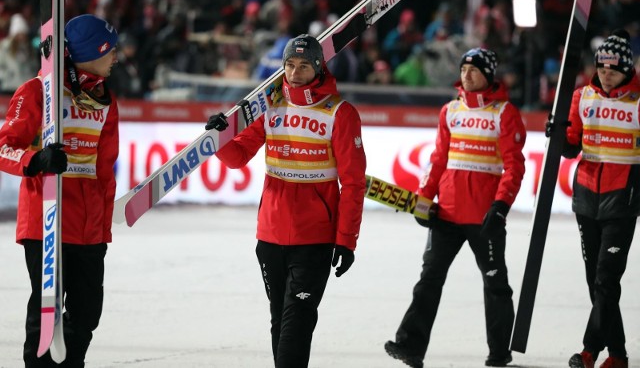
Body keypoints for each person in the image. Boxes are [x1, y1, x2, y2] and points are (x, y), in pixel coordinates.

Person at [205, 33, 367, 368]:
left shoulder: (340, 113)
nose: (294, 73)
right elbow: (237, 158)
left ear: (318, 67)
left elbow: (352, 184)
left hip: (315, 238)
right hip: (270, 234)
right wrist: (218, 137)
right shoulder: (271, 107)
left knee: (298, 320)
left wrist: (346, 240)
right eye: (289, 65)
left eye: (303, 66)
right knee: (280, 320)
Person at [384, 48, 526, 368]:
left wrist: (501, 206)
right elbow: (438, 160)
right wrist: (423, 199)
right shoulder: (449, 111)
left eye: (474, 70)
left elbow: (514, 168)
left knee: (495, 283)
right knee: (428, 280)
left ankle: (499, 352)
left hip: (484, 216)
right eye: (464, 69)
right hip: (446, 214)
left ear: (488, 76)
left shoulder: (504, 113)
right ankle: (410, 346)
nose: (467, 74)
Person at [0, 14, 119, 367]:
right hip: (46, 222)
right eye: (109, 50)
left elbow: (104, 172)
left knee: (86, 315)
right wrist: (36, 161)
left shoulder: (105, 100)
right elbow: (4, 147)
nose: (116, 57)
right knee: (46, 311)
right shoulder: (38, 91)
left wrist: (103, 228)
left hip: (87, 229)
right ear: (89, 52)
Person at [562, 29, 638, 368]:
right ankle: (618, 356)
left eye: (613, 67)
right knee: (598, 282)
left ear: (627, 69)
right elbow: (570, 145)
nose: (606, 72)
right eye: (602, 66)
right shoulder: (583, 97)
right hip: (586, 197)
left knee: (607, 278)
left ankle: (590, 351)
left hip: (623, 200)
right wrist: (557, 133)